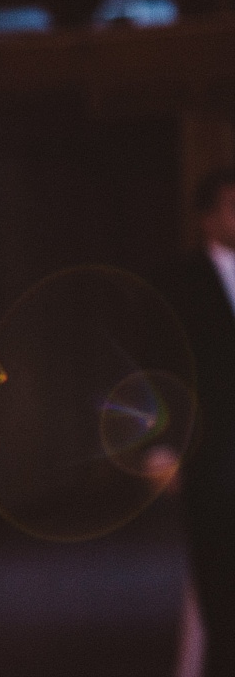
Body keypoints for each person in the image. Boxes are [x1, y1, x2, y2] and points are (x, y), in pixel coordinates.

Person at [171, 168, 235, 677]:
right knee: (216, 567)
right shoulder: (183, 282)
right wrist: (163, 446)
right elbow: (164, 364)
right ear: (209, 216)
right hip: (213, 451)